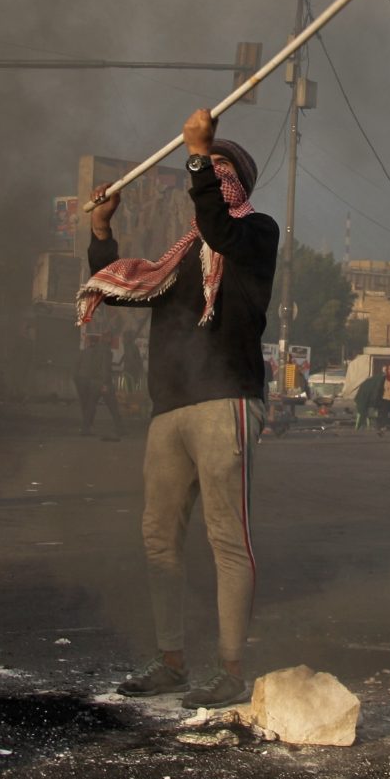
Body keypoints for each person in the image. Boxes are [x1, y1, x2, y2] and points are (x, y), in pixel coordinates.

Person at [84, 110, 278, 709]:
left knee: (227, 537)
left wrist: (198, 156)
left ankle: (230, 668)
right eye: (206, 170)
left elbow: (219, 228)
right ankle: (171, 660)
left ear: (237, 184)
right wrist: (100, 229)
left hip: (226, 401)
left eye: (222, 171)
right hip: (170, 406)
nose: (211, 179)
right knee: (158, 537)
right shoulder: (177, 261)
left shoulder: (253, 235)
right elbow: (117, 284)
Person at [74, 332, 121, 439]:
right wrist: (105, 383)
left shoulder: (94, 350)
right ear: (108, 339)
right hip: (103, 382)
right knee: (113, 405)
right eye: (111, 338)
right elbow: (105, 368)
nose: (112, 340)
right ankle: (120, 428)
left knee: (90, 406)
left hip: (94, 382)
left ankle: (85, 428)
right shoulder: (106, 351)